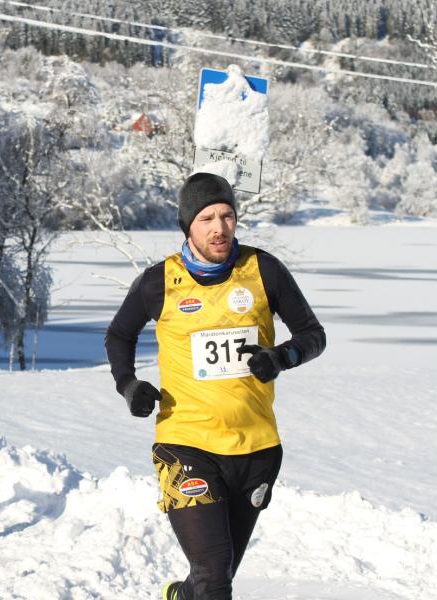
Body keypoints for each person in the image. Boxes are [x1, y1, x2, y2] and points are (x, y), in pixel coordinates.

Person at [104, 172, 326, 599]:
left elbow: (312, 335)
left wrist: (280, 357)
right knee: (213, 576)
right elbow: (119, 334)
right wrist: (128, 384)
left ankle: (178, 596)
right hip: (185, 444)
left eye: (227, 215)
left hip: (257, 448)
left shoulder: (263, 270)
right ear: (188, 225)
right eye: (207, 217)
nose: (219, 227)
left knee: (214, 576)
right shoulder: (158, 282)